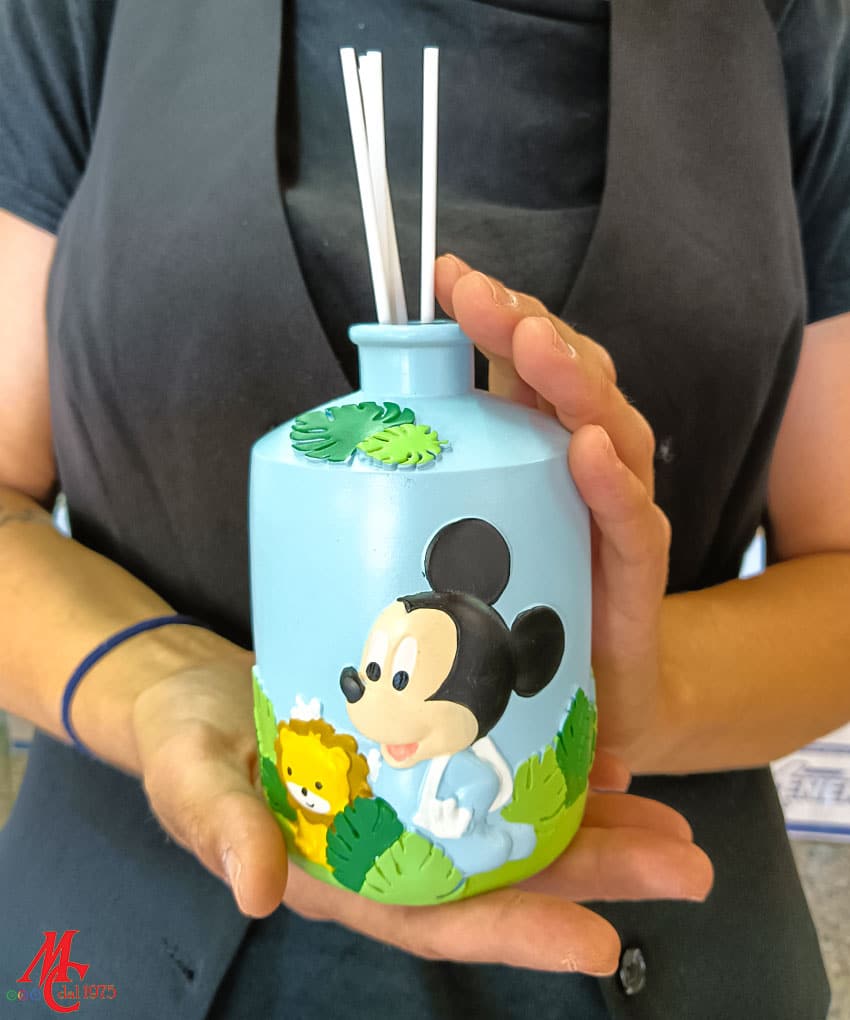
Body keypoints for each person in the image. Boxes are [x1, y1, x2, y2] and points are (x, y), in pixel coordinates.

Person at [0, 0, 848, 1017]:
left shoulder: (793, 24)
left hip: (672, 946)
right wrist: (152, 685)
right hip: (121, 944)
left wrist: (643, 684)